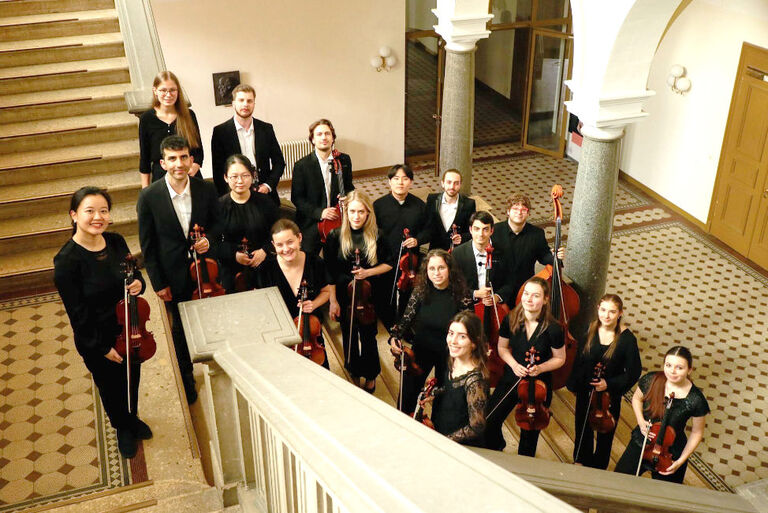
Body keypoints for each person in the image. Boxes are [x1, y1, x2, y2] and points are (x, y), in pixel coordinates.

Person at [54, 187, 150, 458]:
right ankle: (123, 427)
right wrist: (102, 346)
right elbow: (78, 315)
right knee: (111, 386)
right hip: (98, 339)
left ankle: (132, 417)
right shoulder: (66, 262)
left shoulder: (117, 241)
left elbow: (134, 273)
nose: (98, 217)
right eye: (90, 211)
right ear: (74, 215)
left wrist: (139, 284)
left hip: (129, 328)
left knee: (132, 377)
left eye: (104, 211)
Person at [136, 135, 220, 404]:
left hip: (206, 271)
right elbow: (147, 244)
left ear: (191, 160)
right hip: (173, 273)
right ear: (163, 163)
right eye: (172, 159)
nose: (179, 163)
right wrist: (159, 282)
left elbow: (219, 226)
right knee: (180, 329)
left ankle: (218, 369)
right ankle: (186, 377)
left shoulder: (206, 189)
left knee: (212, 320)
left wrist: (210, 240)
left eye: (184, 157)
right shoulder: (149, 197)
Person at [484, 276, 565, 456]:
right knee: (490, 419)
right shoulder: (511, 318)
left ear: (545, 300)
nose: (528, 299)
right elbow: (502, 347)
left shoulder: (553, 328)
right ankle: (496, 445)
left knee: (530, 431)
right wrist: (514, 365)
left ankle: (523, 468)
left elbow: (560, 358)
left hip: (538, 385)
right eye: (526, 294)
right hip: (512, 376)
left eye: (535, 296)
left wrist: (541, 368)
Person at [389, 249, 473, 414]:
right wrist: (394, 338)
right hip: (422, 348)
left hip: (450, 354)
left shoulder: (462, 295)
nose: (436, 273)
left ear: (449, 269)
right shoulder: (420, 290)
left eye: (441, 268)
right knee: (406, 396)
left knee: (443, 401)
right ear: (426, 271)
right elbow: (406, 319)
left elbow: (469, 331)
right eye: (431, 269)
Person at [326, 191, 392, 393]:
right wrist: (333, 301)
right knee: (349, 335)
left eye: (361, 212)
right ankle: (353, 367)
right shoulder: (335, 235)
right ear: (346, 212)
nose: (356, 216)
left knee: (369, 336)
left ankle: (371, 374)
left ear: (368, 213)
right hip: (345, 297)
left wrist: (368, 272)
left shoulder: (377, 235)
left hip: (368, 296)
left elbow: (389, 264)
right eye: (352, 211)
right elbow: (329, 271)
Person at [614, 346, 709, 483]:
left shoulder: (696, 399)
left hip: (671, 451)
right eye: (668, 365)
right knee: (619, 480)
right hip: (643, 441)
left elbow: (697, 433)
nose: (672, 371)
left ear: (689, 370)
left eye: (679, 367)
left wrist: (680, 461)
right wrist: (641, 421)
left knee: (666, 495)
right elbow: (637, 398)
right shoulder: (650, 380)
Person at [568, 294, 641, 469]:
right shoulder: (589, 329)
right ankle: (579, 461)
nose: (606, 316)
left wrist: (609, 384)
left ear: (620, 313)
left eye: (612, 312)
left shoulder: (627, 340)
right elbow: (579, 359)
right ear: (598, 309)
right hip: (586, 390)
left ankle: (599, 468)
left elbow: (633, 372)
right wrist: (573, 383)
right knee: (582, 428)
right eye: (603, 310)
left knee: (605, 435)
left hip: (609, 396)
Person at [258, 219, 331, 369]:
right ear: (273, 245)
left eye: (290, 242)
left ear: (299, 238)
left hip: (310, 333)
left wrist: (314, 304)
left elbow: (326, 291)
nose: (286, 249)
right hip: (281, 336)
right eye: (279, 245)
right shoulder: (265, 270)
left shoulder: (315, 263)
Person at [373, 164, 429, 328]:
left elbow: (429, 230)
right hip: (385, 260)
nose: (400, 183)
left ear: (411, 182)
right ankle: (388, 321)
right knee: (384, 291)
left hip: (410, 262)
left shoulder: (419, 205)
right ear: (389, 182)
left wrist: (417, 240)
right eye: (396, 179)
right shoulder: (378, 205)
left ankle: (406, 324)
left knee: (408, 294)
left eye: (405, 179)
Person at [211, 84, 286, 200]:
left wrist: (268, 185)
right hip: (235, 195)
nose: (245, 104)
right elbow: (218, 171)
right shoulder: (220, 132)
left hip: (264, 193)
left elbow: (279, 163)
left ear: (254, 104)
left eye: (249, 101)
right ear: (233, 103)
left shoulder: (266, 129)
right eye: (241, 100)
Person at [291, 119, 354, 255]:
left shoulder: (344, 160)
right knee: (307, 256)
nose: (324, 137)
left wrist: (348, 197)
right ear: (313, 140)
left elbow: (349, 187)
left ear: (333, 138)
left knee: (342, 254)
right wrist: (320, 213)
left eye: (327, 134)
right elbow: (297, 199)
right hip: (312, 220)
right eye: (319, 134)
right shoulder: (301, 166)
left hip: (338, 218)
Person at [218, 154, 279, 293]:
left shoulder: (266, 202)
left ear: (252, 176)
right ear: (226, 178)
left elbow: (278, 233)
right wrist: (234, 254)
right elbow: (214, 242)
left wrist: (265, 250)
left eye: (245, 175)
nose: (240, 181)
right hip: (232, 265)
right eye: (234, 176)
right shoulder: (219, 206)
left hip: (265, 261)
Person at [428, 311, 490, 447]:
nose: (453, 341)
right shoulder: (453, 359)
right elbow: (453, 389)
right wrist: (433, 393)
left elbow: (477, 427)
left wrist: (445, 440)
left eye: (462, 336)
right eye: (451, 333)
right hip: (442, 426)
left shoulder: (475, 382)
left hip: (460, 445)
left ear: (474, 343)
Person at [491, 193, 563, 298]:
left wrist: (555, 257)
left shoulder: (537, 233)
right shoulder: (495, 231)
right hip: (499, 289)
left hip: (525, 288)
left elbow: (543, 257)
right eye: (515, 209)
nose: (519, 213)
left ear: (528, 213)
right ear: (508, 211)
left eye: (523, 210)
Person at [139, 71, 203, 187]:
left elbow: (198, 152)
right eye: (163, 90)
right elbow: (145, 158)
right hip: (160, 179)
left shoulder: (189, 115)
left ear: (178, 91)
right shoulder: (146, 119)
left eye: (172, 90)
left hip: (188, 176)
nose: (168, 95)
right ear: (155, 91)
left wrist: (192, 169)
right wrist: (145, 189)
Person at [453, 211, 515, 307]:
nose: (481, 234)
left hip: (494, 306)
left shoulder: (504, 252)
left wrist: (497, 297)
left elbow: (510, 282)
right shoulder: (458, 253)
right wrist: (475, 293)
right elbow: (453, 284)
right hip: (466, 306)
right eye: (476, 229)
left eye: (485, 229)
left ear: (492, 231)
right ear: (470, 230)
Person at [423, 169, 476, 251]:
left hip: (457, 251)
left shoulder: (469, 204)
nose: (452, 187)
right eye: (449, 182)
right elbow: (425, 224)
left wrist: (462, 237)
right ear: (442, 183)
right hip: (435, 250)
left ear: (460, 185)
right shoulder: (432, 199)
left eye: (456, 183)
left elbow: (473, 229)